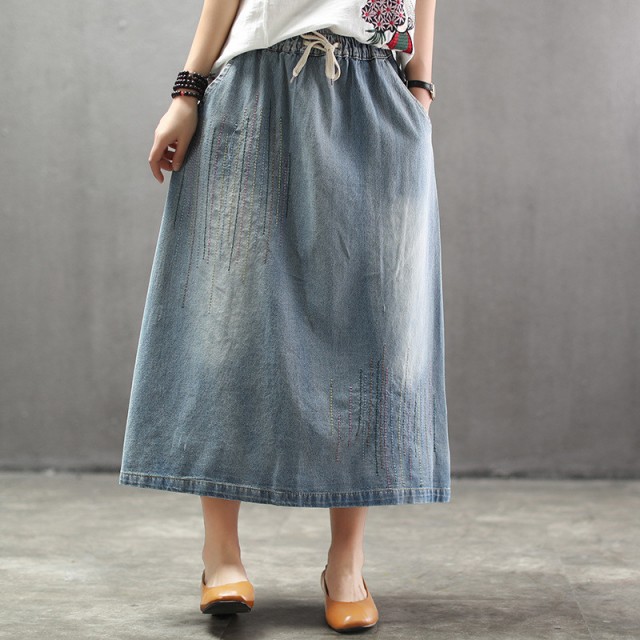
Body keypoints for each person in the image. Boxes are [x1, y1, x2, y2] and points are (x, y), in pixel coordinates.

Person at [118, 0, 450, 631]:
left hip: (374, 91)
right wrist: (187, 92)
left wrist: (419, 90)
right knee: (224, 322)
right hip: (254, 87)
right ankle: (220, 555)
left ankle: (346, 562)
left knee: (370, 332)